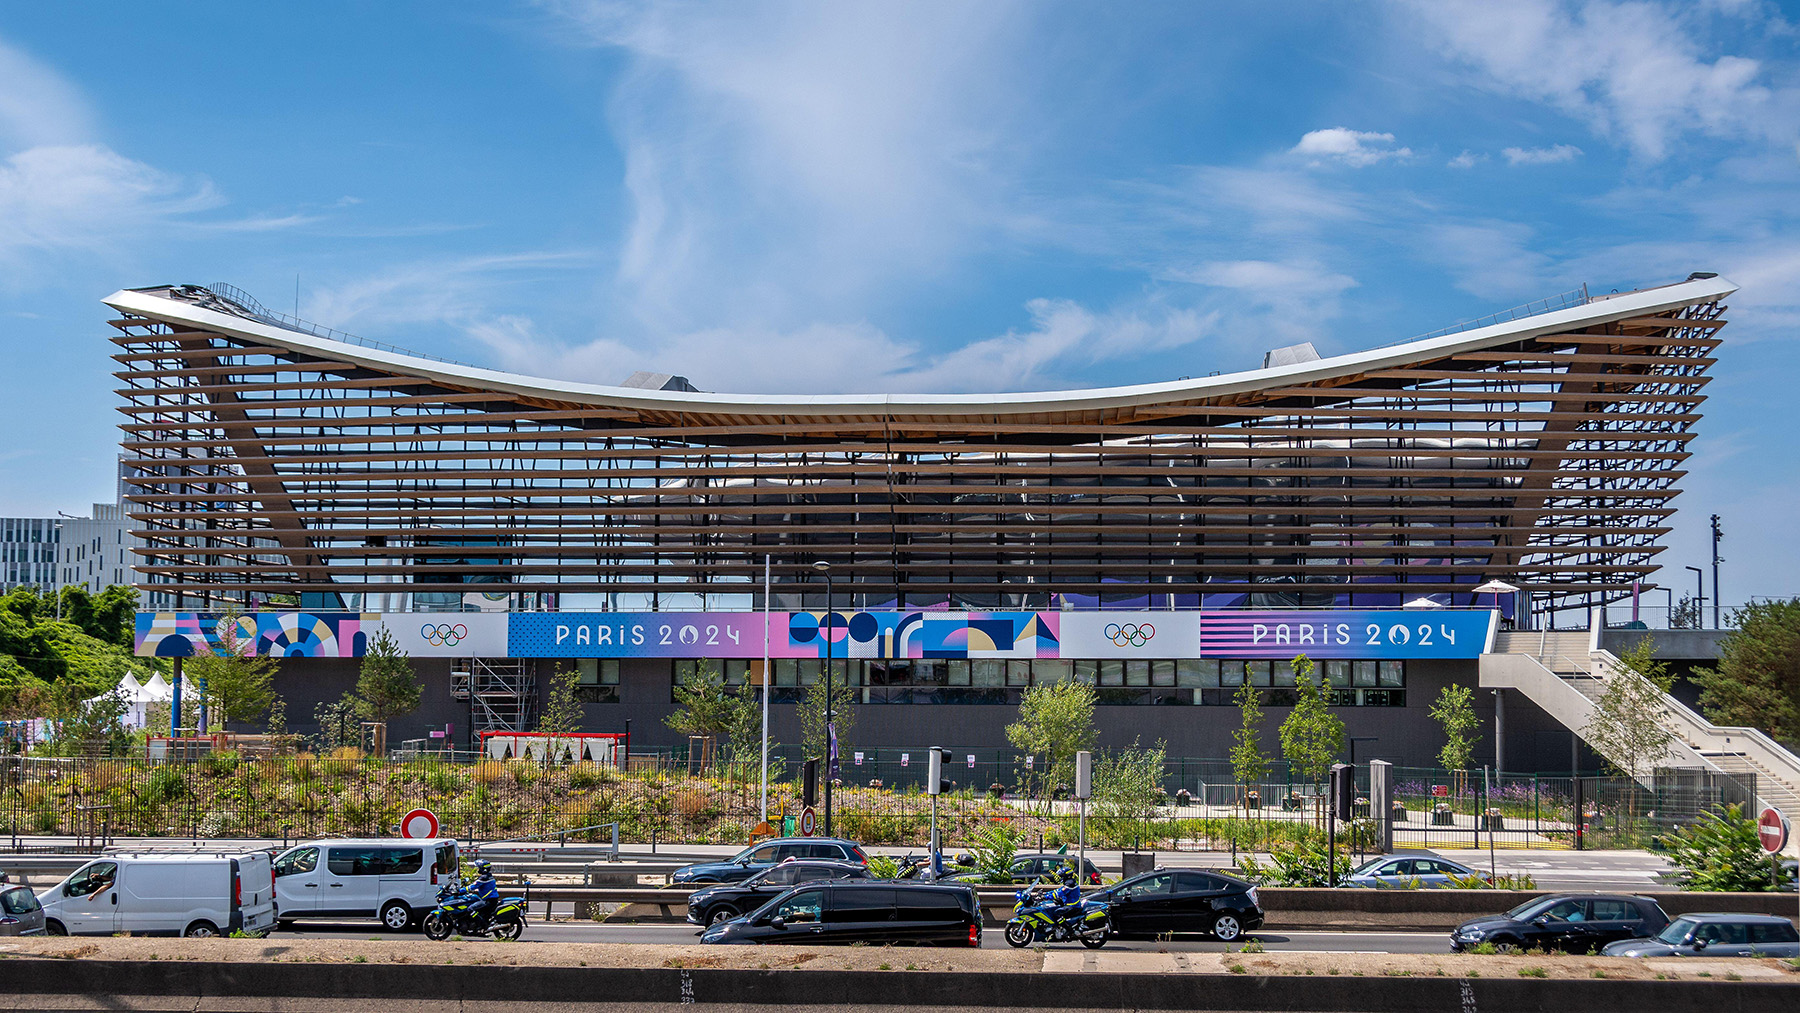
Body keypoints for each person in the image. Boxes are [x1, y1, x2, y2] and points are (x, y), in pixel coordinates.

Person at [466, 860, 500, 924]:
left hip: (488, 901)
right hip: (492, 900)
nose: (478, 869)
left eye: (479, 868)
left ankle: (483, 924)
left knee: (470, 909)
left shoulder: (484, 878)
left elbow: (472, 886)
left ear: (483, 869)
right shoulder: (489, 876)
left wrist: (460, 890)